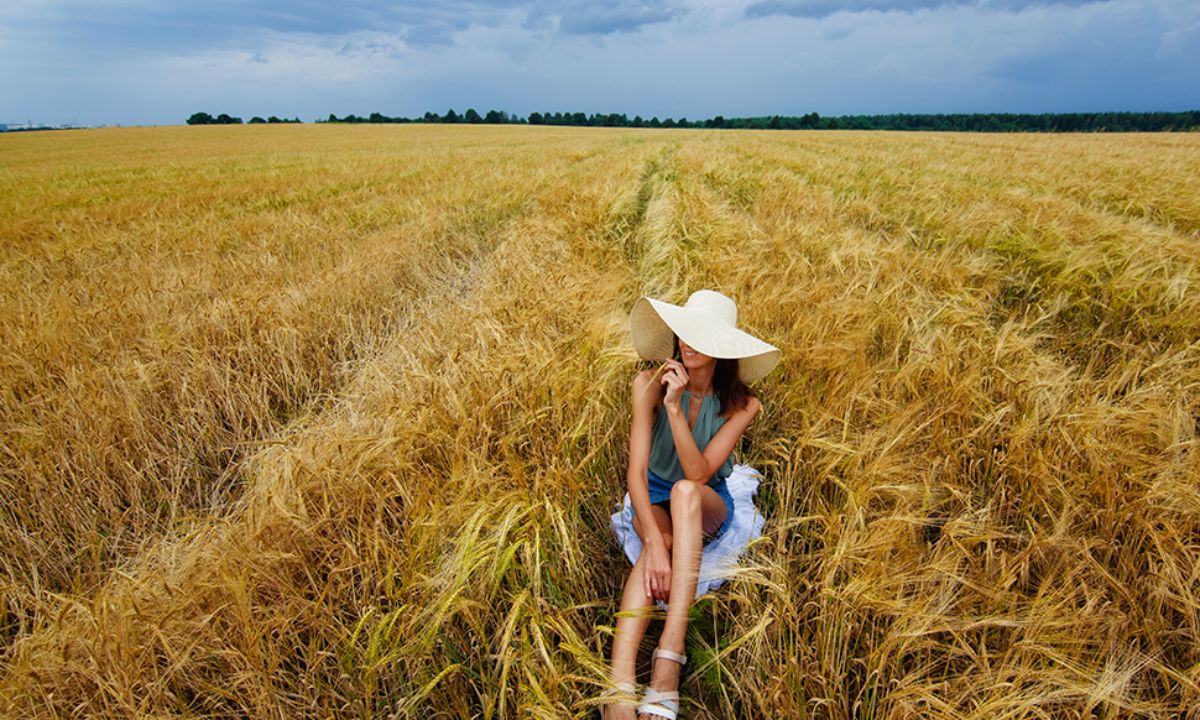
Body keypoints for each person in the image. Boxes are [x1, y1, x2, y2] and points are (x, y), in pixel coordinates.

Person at [603, 290, 780, 720]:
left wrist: (676, 409)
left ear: (722, 347)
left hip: (705, 501)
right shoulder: (646, 383)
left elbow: (699, 474)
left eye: (703, 335)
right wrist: (656, 542)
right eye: (686, 332)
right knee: (654, 543)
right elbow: (636, 474)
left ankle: (669, 659)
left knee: (684, 492)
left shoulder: (742, 403)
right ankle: (619, 683)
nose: (688, 342)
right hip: (656, 495)